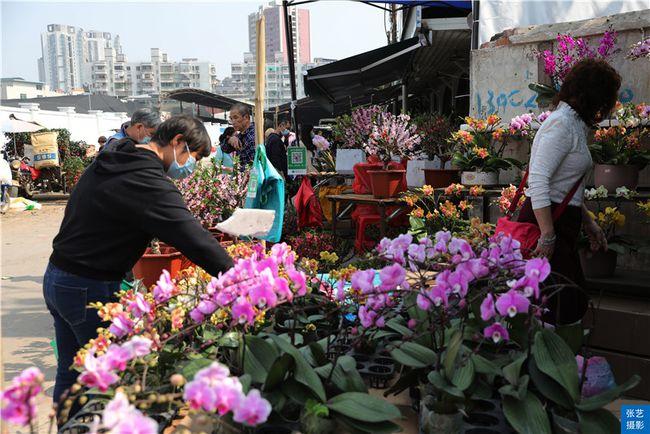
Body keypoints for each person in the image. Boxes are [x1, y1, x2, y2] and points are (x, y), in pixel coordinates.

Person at [44, 115, 233, 408]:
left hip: (59, 277)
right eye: (192, 157)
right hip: (87, 286)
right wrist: (240, 276)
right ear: (177, 142)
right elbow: (193, 237)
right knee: (108, 380)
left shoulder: (117, 156)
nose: (190, 168)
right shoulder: (146, 179)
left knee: (72, 375)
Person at [518, 58, 620, 324]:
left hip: (560, 221)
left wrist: (589, 221)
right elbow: (538, 181)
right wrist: (548, 235)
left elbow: (562, 185)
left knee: (562, 303)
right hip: (547, 223)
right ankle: (549, 362)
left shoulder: (573, 123)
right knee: (557, 306)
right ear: (595, 96)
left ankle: (557, 361)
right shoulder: (562, 124)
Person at [221, 103, 255, 168]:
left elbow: (255, 167)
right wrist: (229, 140)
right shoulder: (241, 135)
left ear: (246, 117)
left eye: (236, 117)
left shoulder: (253, 136)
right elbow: (224, 149)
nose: (233, 122)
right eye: (231, 118)